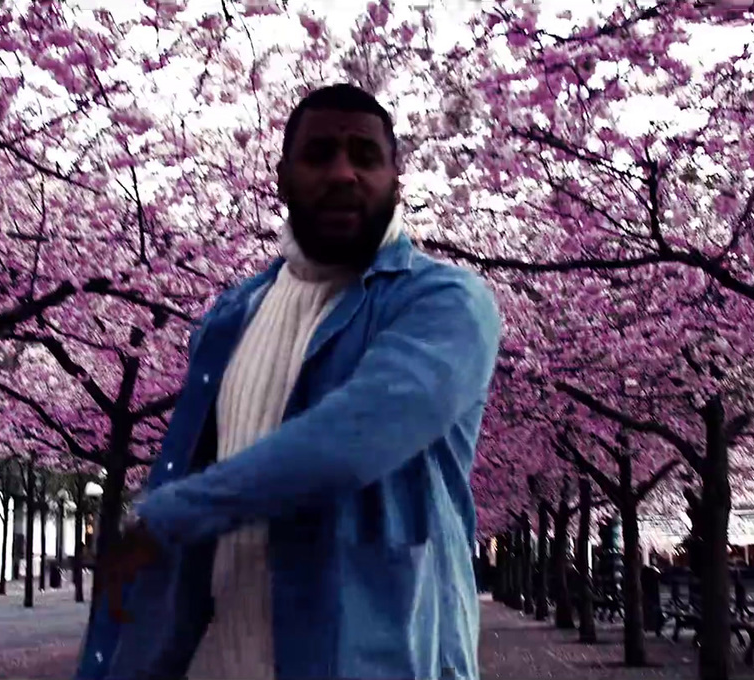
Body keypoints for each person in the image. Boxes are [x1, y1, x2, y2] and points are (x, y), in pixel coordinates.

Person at [75, 83, 502, 680]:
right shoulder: (230, 318)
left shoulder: (445, 303)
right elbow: (191, 465)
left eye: (365, 156)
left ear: (397, 178)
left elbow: (350, 440)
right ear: (281, 177)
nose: (343, 173)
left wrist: (165, 516)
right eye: (319, 153)